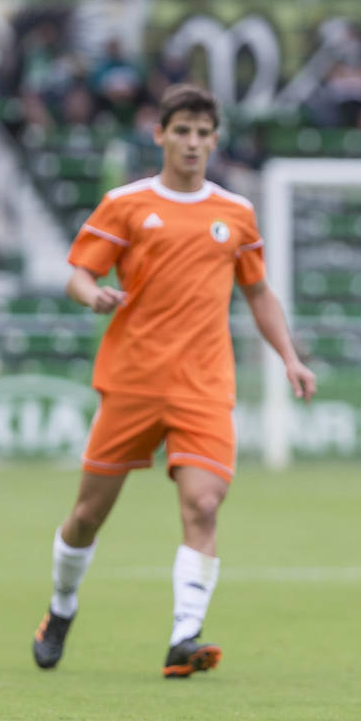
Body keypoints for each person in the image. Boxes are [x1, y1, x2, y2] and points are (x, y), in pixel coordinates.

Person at [31, 84, 317, 678]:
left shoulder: (235, 213)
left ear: (215, 140)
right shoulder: (126, 204)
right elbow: (77, 273)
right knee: (87, 514)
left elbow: (258, 291)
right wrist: (94, 295)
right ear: (158, 134)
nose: (192, 143)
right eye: (181, 131)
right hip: (132, 381)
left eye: (203, 133)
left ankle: (184, 638)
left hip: (204, 386)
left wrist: (289, 356)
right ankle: (61, 608)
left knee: (205, 504)